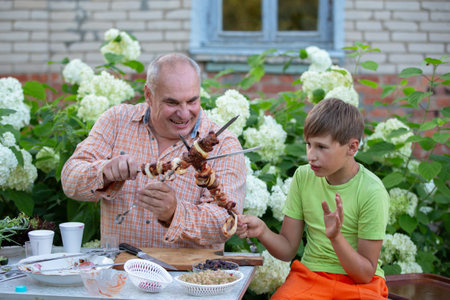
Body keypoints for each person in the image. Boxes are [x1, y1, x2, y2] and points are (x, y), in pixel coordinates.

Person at [62, 53, 246, 249]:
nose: (184, 114)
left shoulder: (225, 144)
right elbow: (70, 180)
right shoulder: (116, 121)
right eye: (172, 103)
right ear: (149, 95)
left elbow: (225, 223)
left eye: (192, 101)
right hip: (121, 271)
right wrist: (104, 171)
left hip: (189, 276)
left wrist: (175, 213)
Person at [237, 98, 390, 299]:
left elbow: (364, 274)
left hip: (358, 284)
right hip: (310, 277)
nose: (311, 155)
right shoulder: (303, 177)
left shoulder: (372, 191)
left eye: (321, 147)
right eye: (309, 144)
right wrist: (262, 231)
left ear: (352, 147)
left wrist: (336, 238)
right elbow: (287, 249)